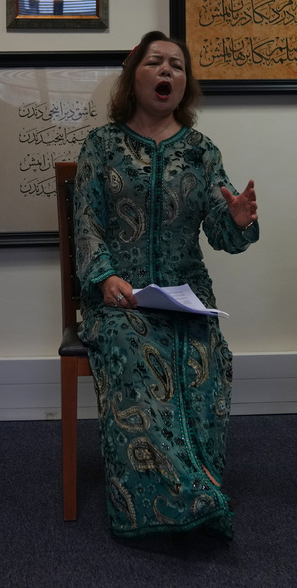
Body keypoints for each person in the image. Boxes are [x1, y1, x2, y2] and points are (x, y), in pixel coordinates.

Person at [73, 30, 259, 539]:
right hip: (118, 297)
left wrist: (237, 220)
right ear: (135, 76)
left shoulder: (201, 151)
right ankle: (171, 503)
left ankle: (198, 484)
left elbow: (221, 232)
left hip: (187, 297)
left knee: (205, 362)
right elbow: (86, 223)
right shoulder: (101, 145)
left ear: (186, 84)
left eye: (177, 66)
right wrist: (104, 276)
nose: (167, 72)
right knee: (133, 355)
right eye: (155, 63)